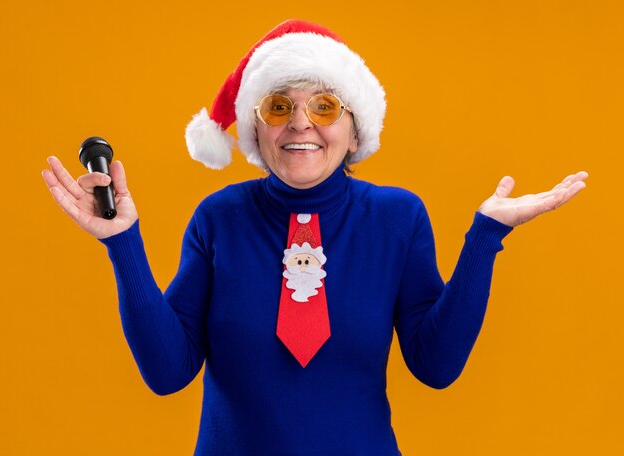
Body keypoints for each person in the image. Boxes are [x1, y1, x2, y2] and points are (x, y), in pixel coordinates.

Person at [42, 19, 587, 456]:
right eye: (279, 106)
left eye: (323, 106)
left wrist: (486, 235)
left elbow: (436, 366)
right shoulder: (218, 219)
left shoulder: (398, 218)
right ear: (256, 127)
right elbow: (166, 373)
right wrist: (123, 241)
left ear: (355, 127)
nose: (301, 124)